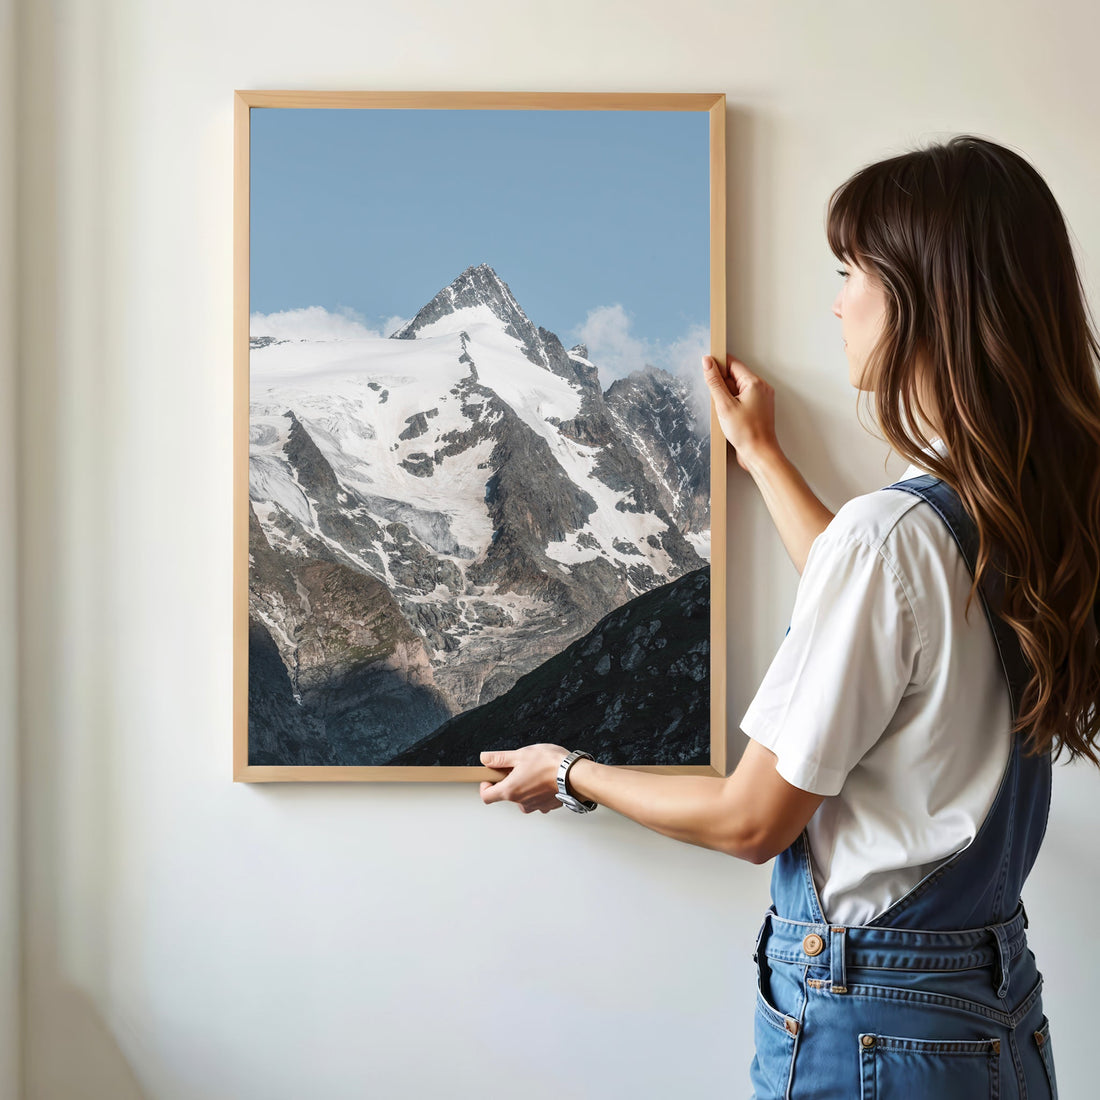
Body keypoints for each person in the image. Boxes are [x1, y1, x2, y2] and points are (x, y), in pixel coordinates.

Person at [477, 134, 1100, 1098]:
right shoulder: (1018, 510)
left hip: (873, 1027)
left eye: (852, 271)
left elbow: (750, 819)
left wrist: (569, 772)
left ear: (925, 299)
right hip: (988, 1013)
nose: (838, 299)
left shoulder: (894, 536)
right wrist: (764, 457)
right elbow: (888, 622)